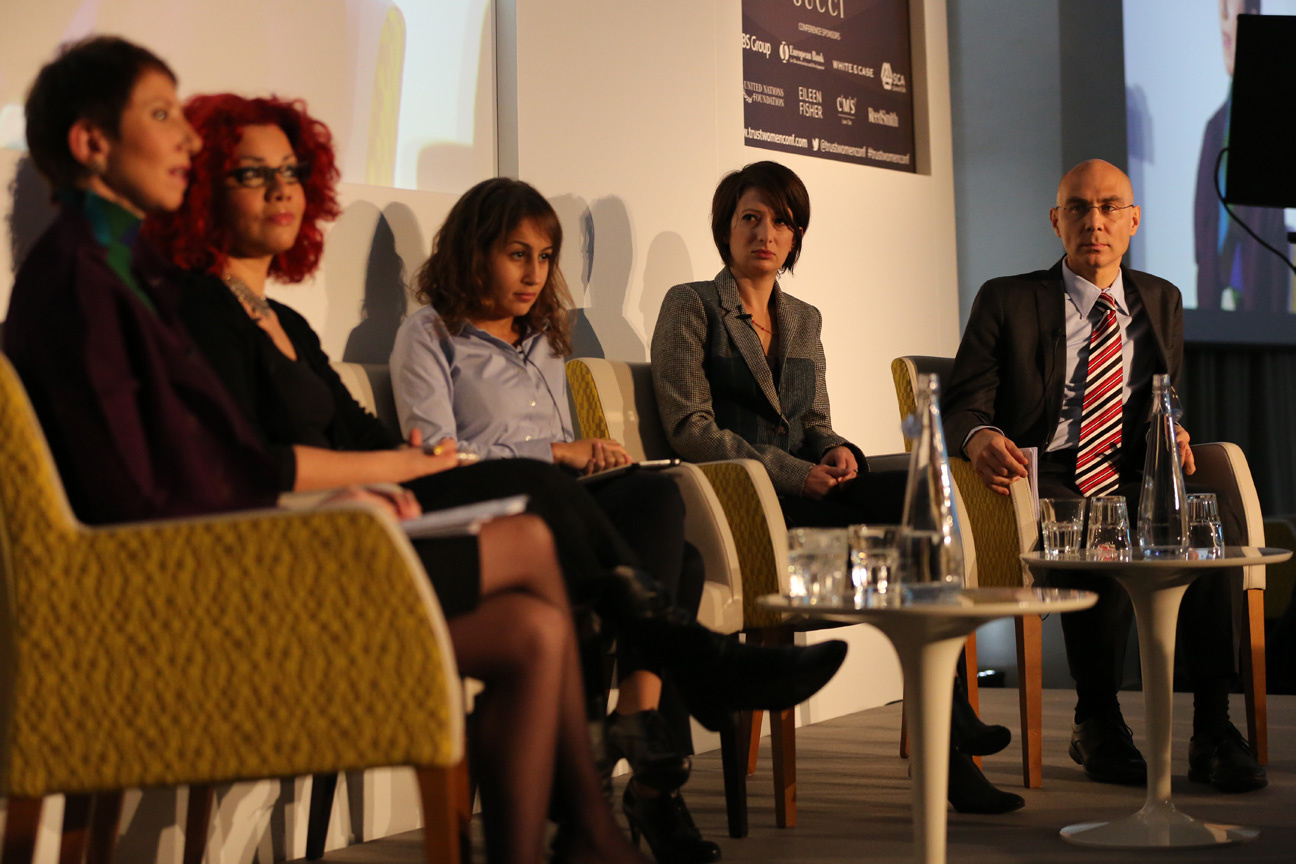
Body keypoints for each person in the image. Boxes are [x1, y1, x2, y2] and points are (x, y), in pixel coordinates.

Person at [142, 94, 847, 858]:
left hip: (400, 502)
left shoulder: (286, 324)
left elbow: (369, 434)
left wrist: (410, 460)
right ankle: (681, 687)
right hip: (337, 533)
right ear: (203, 187)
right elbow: (254, 464)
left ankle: (615, 780)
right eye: (253, 173)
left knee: (650, 510)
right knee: (551, 497)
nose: (282, 190)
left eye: (290, 172)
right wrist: (413, 464)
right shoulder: (211, 310)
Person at [649, 160, 1023, 814]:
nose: (766, 232)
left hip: (812, 496)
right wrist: (797, 472)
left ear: (796, 235)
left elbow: (815, 420)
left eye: (781, 221)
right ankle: (950, 734)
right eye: (750, 218)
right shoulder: (693, 304)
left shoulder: (804, 317)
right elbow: (691, 429)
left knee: (917, 499)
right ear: (725, 228)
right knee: (907, 544)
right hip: (748, 507)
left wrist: (837, 451)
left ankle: (947, 734)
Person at [389, 177, 719, 863]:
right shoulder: (429, 334)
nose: (534, 274)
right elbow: (436, 457)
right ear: (474, 251)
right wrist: (553, 453)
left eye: (544, 257)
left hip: (560, 502)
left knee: (661, 504)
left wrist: (588, 457)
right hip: (489, 516)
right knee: (677, 568)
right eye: (518, 255)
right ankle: (646, 777)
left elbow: (563, 450)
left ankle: (630, 729)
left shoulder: (545, 337)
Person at [944, 158, 1266, 793]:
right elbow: (962, 406)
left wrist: (1172, 428)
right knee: (1098, 522)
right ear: (1056, 220)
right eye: (1079, 208)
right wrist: (980, 437)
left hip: (1132, 468)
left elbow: (1161, 399)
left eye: (1109, 207)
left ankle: (1212, 726)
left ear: (1133, 220)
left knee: (1209, 525)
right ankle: (1096, 718)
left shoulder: (1161, 299)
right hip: (1045, 472)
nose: (1095, 221)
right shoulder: (1007, 298)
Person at [1193, 0, 1292, 313]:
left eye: (1231, 9)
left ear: (1253, 16)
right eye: (1220, 9)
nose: (1224, 24)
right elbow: (1203, 214)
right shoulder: (1215, 126)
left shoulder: (1273, 118)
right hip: (1217, 287)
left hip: (1261, 285)